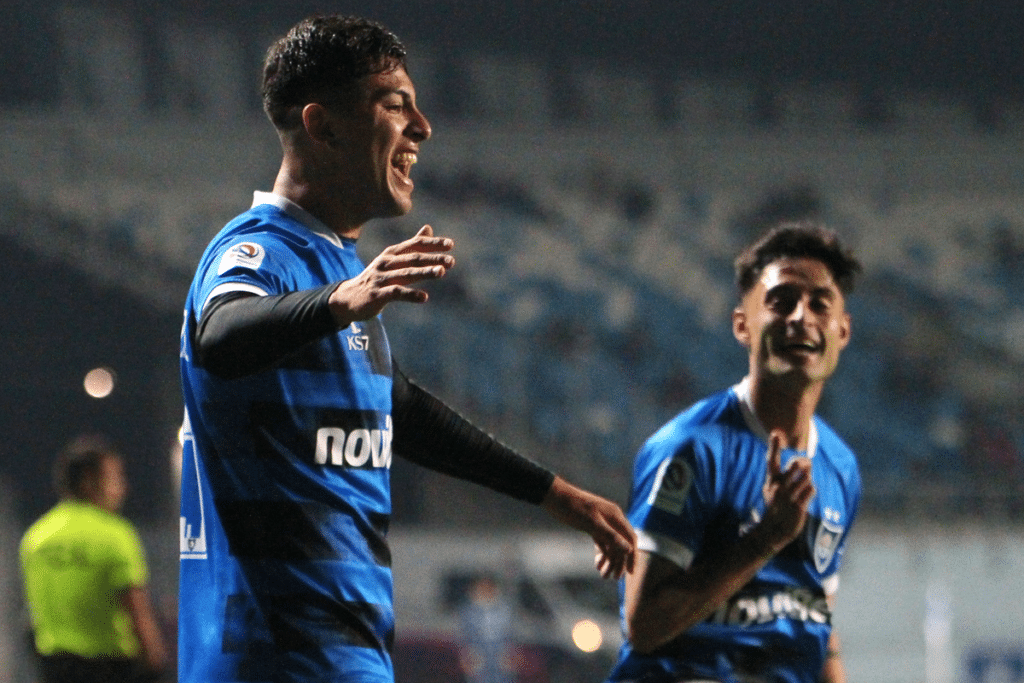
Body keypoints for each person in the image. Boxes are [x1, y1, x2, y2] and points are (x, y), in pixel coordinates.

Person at [176, 14, 636, 683]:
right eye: (395, 105)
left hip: (343, 660)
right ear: (323, 125)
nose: (422, 126)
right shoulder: (259, 250)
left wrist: (556, 493)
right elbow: (220, 335)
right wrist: (342, 299)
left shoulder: (335, 269)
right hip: (271, 662)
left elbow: (400, 411)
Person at [602, 222, 862, 683]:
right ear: (743, 325)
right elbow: (643, 628)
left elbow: (815, 616)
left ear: (842, 330)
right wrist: (764, 540)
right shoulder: (691, 450)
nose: (801, 317)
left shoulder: (840, 466)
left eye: (819, 304)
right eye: (781, 301)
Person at [19, 435, 170, 683]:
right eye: (116, 478)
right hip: (110, 670)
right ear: (90, 481)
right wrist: (156, 664)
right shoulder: (115, 534)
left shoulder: (36, 538)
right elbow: (138, 613)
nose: (123, 487)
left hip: (52, 669)